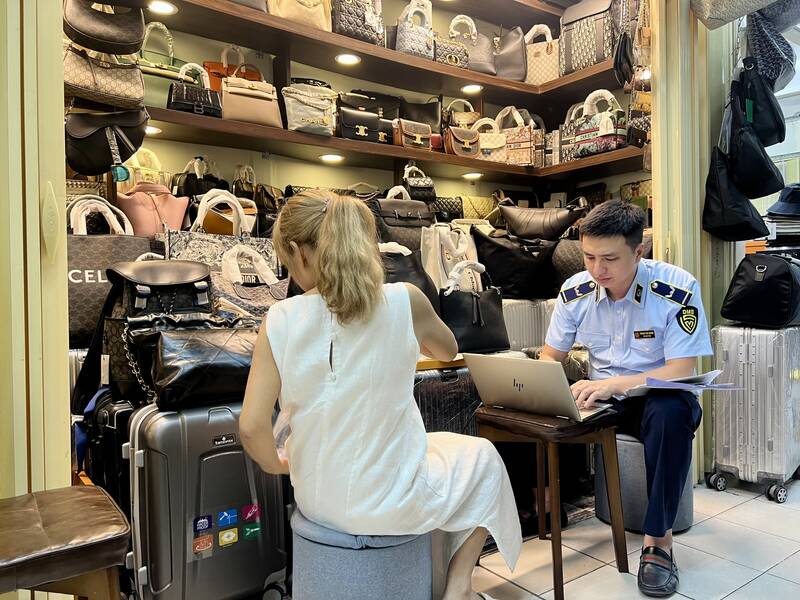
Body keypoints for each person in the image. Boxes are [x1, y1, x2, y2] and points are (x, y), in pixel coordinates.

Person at [240, 190, 522, 600]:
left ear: (300, 253)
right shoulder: (404, 300)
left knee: (442, 456)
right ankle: (459, 587)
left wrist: (281, 464)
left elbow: (251, 426)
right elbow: (446, 349)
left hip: (318, 500)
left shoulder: (279, 318)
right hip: (393, 501)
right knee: (483, 459)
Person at [539, 201, 711, 598]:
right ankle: (539, 509)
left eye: (610, 259)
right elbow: (551, 357)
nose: (598, 270)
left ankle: (658, 544)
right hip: (605, 402)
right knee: (521, 405)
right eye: (589, 257)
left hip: (657, 397)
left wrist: (614, 384)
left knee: (670, 412)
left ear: (639, 251)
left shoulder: (676, 288)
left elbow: (682, 369)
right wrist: (556, 389)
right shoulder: (575, 290)